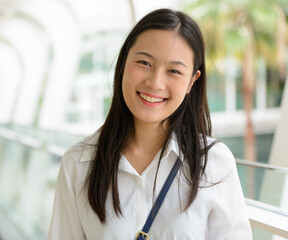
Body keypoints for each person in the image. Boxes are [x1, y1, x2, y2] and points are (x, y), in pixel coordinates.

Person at [47, 8, 252, 240]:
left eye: (174, 71)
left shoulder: (213, 162)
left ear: (191, 81)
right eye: (144, 63)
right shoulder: (78, 164)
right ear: (124, 62)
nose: (155, 83)